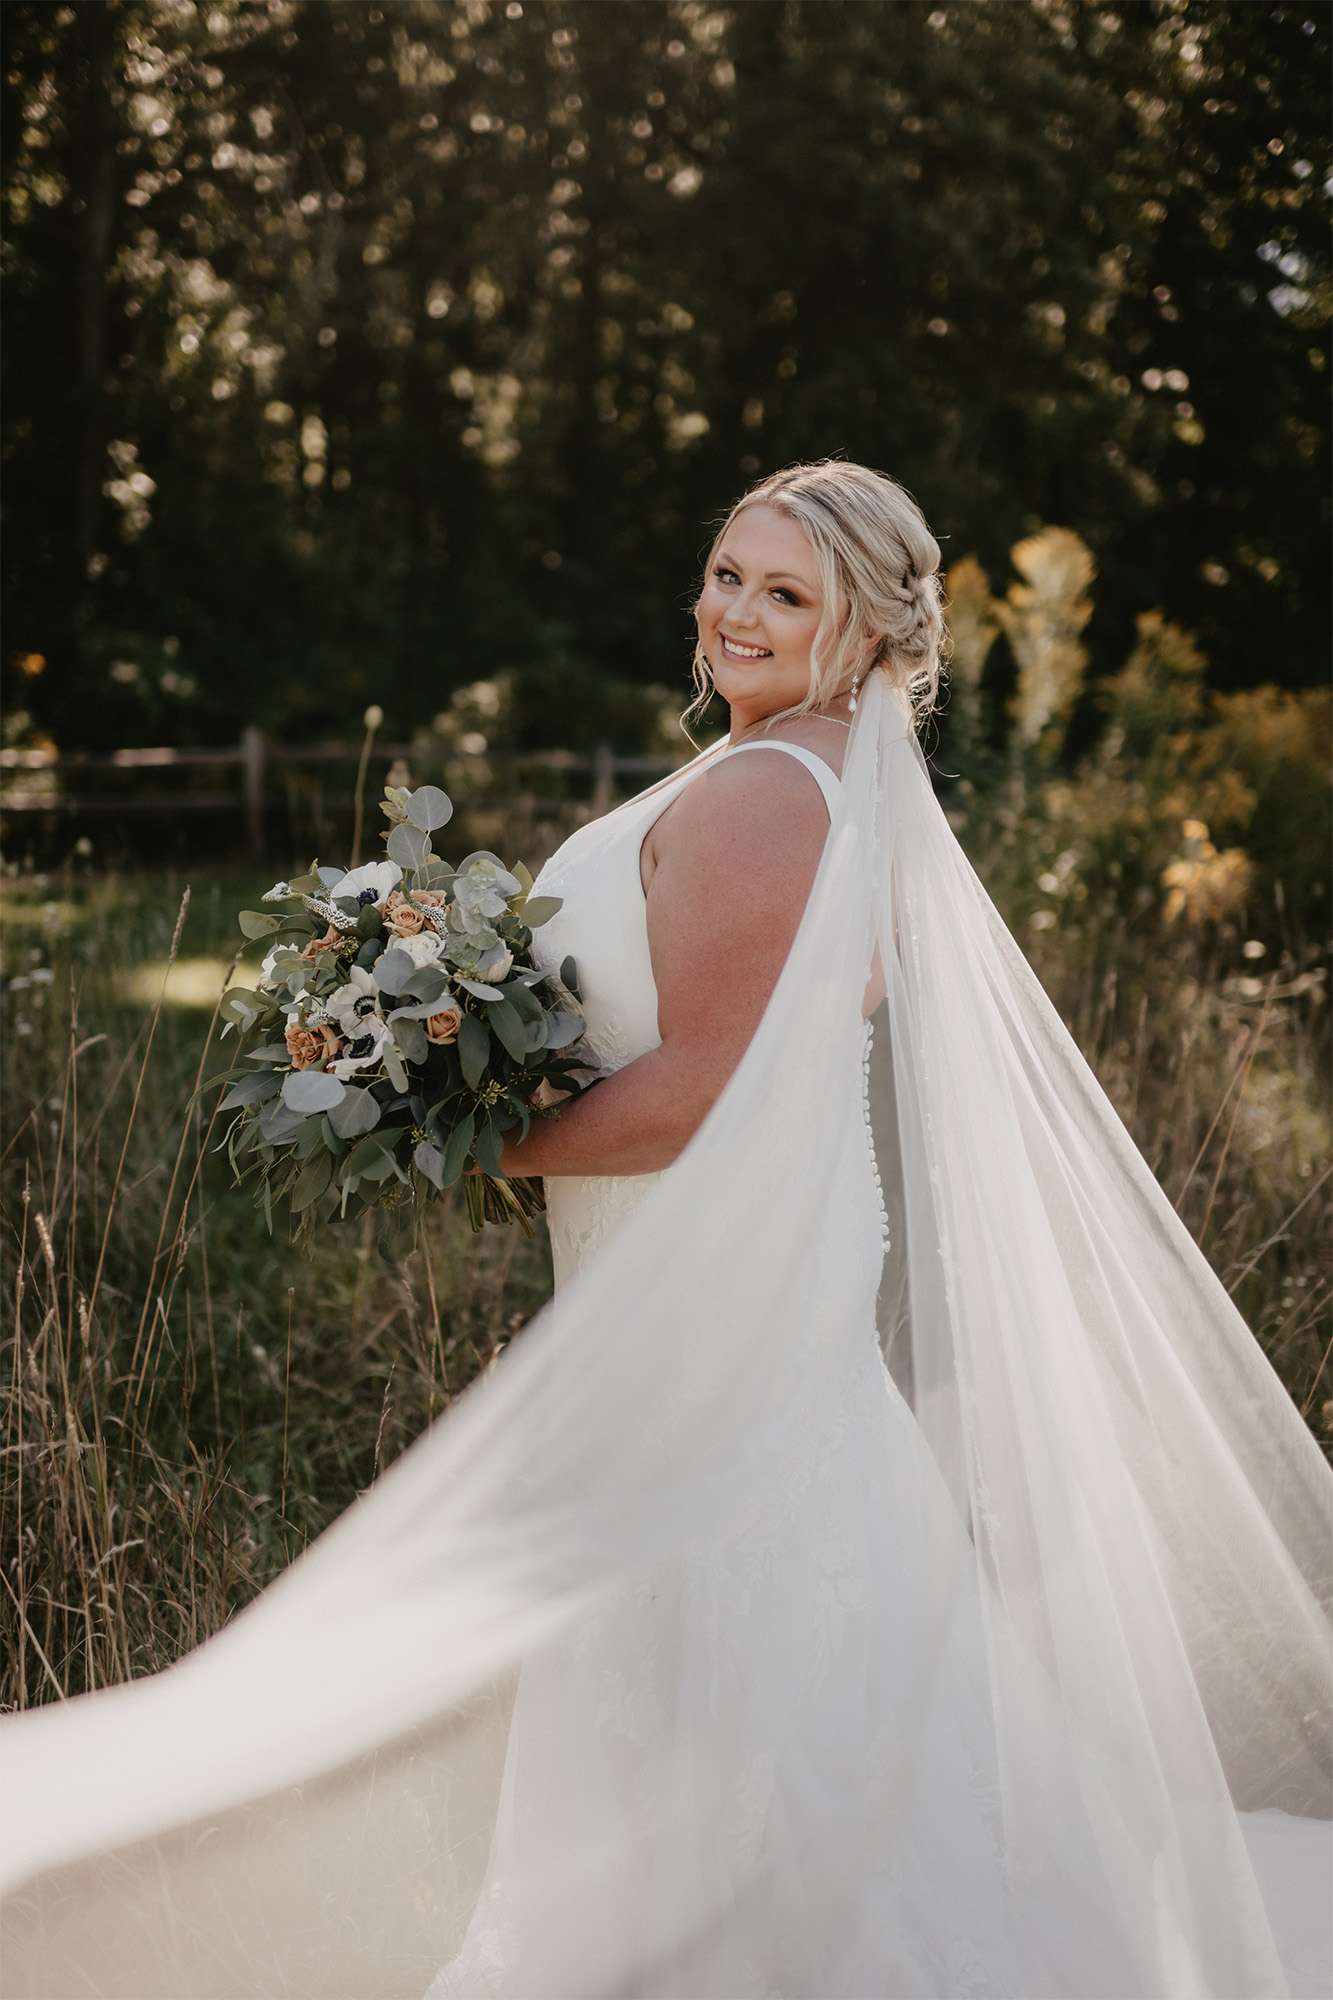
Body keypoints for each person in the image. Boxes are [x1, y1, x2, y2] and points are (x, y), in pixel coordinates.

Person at [2, 461, 1331, 2000]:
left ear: (867, 632)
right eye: (727, 574)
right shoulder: (832, 773)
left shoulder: (767, 791)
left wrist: (463, 1138)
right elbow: (831, 998)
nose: (735, 614)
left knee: (725, 1582)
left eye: (786, 594)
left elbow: (705, 1090)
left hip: (724, 1271)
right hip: (737, 1258)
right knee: (766, 1582)